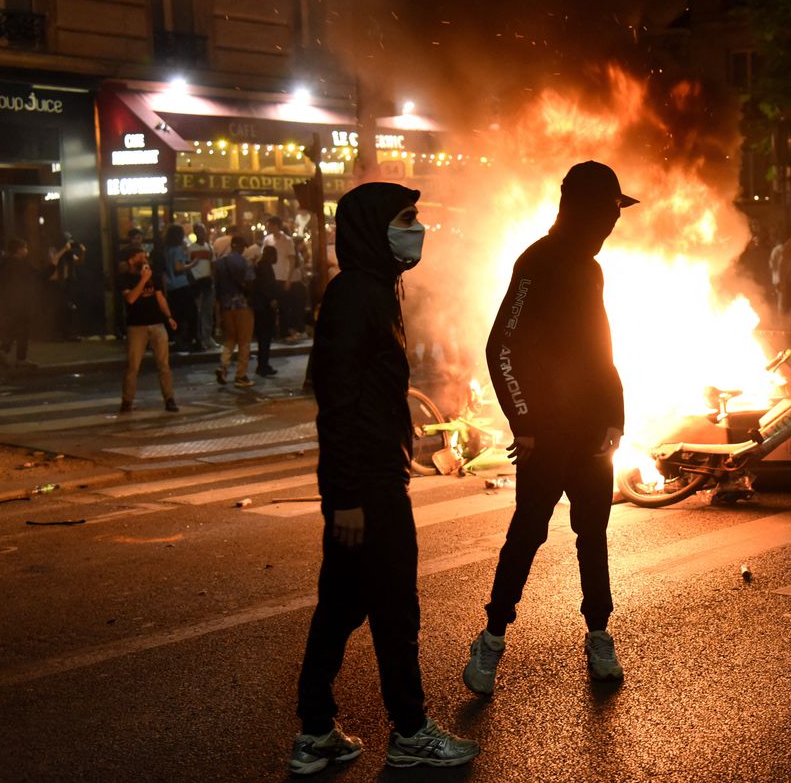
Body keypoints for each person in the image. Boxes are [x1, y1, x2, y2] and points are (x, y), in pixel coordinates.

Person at [291, 182, 478, 775]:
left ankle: (315, 731)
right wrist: (346, 496)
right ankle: (411, 731)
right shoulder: (355, 296)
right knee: (395, 609)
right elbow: (338, 404)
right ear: (375, 228)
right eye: (406, 218)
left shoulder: (374, 287)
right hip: (368, 486)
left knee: (342, 606)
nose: (417, 228)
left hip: (369, 480)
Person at [463, 160, 631, 697]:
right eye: (610, 210)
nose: (614, 221)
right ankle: (492, 639)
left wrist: (615, 416)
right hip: (548, 434)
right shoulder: (536, 262)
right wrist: (525, 422)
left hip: (592, 435)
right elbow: (501, 347)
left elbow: (602, 349)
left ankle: (599, 635)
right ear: (585, 210)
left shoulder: (591, 269)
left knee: (593, 535)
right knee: (528, 533)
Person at [119, 246, 178, 413]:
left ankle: (169, 399)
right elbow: (130, 299)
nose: (144, 259)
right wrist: (143, 280)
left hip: (157, 324)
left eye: (144, 256)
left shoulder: (153, 275)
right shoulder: (125, 278)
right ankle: (127, 401)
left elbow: (160, 298)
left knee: (164, 364)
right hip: (137, 326)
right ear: (131, 260)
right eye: (140, 256)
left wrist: (168, 317)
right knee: (133, 366)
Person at [214, 235, 255, 388]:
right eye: (243, 246)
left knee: (230, 338)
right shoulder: (245, 262)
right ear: (237, 245)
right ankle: (241, 375)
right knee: (244, 341)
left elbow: (217, 287)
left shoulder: (219, 263)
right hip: (242, 305)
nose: (244, 249)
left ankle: (223, 366)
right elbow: (250, 282)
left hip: (226, 306)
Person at [0, 238, 40, 369]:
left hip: (8, 302)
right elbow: (38, 275)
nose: (26, 250)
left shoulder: (4, 263)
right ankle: (20, 359)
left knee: (13, 328)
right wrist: (53, 265)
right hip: (20, 302)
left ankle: (2, 352)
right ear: (19, 250)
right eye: (25, 247)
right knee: (23, 330)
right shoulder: (21, 265)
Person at [262, 216, 298, 340]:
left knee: (284, 306)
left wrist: (289, 279)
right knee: (270, 306)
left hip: (282, 277)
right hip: (270, 277)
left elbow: (292, 260)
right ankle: (272, 332)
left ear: (277, 226)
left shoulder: (287, 240)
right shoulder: (267, 240)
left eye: (270, 225)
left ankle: (284, 332)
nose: (268, 228)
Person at [163, 224, 196, 351]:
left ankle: (176, 339)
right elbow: (178, 267)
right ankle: (188, 340)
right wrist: (192, 264)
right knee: (189, 313)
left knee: (176, 314)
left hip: (170, 286)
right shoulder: (177, 249)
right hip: (181, 284)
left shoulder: (167, 250)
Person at [187, 223, 217, 351]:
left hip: (207, 282)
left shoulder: (209, 247)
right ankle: (200, 338)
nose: (202, 234)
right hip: (197, 283)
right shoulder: (190, 248)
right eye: (200, 231)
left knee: (208, 311)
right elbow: (187, 265)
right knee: (198, 311)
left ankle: (207, 337)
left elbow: (213, 264)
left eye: (203, 231)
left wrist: (212, 278)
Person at [50, 232, 85, 340]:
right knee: (58, 308)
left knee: (70, 307)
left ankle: (70, 333)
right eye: (67, 241)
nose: (70, 243)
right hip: (57, 283)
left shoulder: (69, 253)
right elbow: (54, 260)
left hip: (68, 282)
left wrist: (82, 252)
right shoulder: (54, 249)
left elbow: (79, 262)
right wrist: (64, 249)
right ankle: (58, 334)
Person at [253, 246, 279, 377]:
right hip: (265, 307)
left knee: (262, 338)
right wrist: (272, 299)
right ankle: (263, 365)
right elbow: (267, 287)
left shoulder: (259, 266)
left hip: (259, 307)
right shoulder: (266, 268)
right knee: (265, 338)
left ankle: (262, 364)